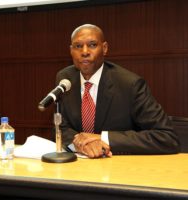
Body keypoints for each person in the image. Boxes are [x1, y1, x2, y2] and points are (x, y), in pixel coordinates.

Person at [56, 24, 180, 158]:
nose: (84, 52)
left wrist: (102, 138)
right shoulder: (65, 78)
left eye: (92, 45)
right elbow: (61, 127)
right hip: (78, 167)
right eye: (78, 46)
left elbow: (167, 137)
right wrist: (80, 142)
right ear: (71, 50)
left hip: (119, 167)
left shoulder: (130, 85)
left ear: (104, 48)